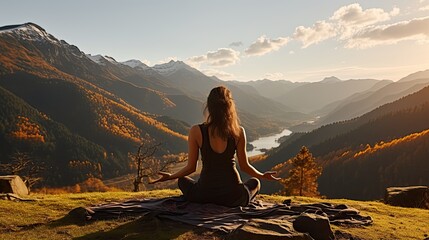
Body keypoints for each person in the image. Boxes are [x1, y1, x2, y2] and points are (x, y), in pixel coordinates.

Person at [150, 86, 280, 207]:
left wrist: (170, 176)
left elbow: (191, 168)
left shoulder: (196, 131)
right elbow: (245, 166)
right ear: (230, 107)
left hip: (204, 195)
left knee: (182, 180)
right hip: (234, 197)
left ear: (209, 106)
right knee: (255, 182)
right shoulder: (238, 132)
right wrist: (262, 176)